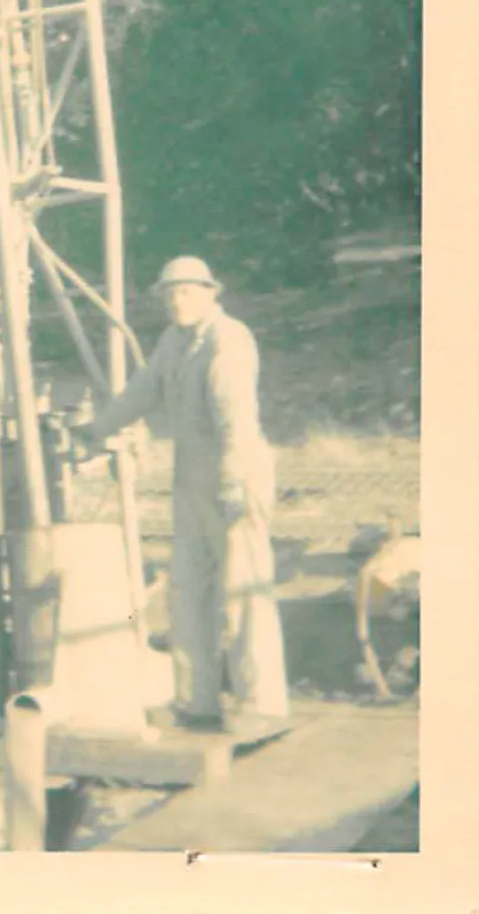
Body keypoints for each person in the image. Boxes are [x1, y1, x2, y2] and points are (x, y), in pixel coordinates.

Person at [88, 256, 289, 729]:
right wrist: (96, 430)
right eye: (170, 293)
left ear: (209, 294)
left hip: (233, 468)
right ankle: (196, 701)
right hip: (192, 474)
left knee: (243, 588)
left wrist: (234, 482)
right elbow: (142, 390)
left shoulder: (228, 340)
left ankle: (262, 702)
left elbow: (236, 419)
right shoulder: (174, 342)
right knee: (188, 587)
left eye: (187, 292)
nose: (178, 301)